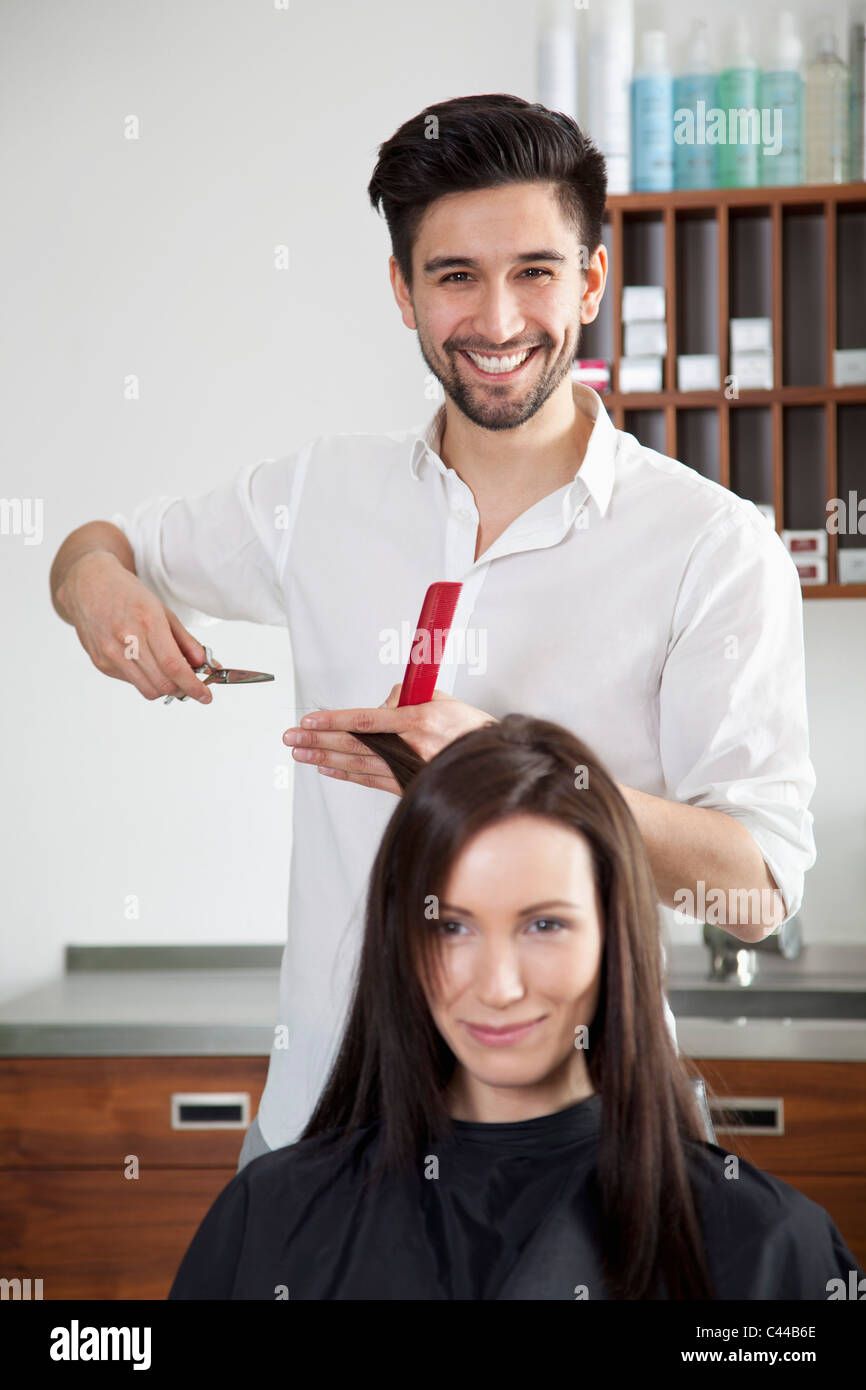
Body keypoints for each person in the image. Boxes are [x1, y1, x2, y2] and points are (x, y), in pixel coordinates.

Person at [49, 94, 816, 1171]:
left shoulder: (710, 545)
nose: (497, 321)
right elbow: (96, 545)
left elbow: (759, 887)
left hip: (582, 1150)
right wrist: (98, 588)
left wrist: (522, 774)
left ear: (591, 279)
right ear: (402, 292)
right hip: (328, 1128)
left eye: (534, 271)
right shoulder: (318, 495)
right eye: (455, 275)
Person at [169, 716, 859, 1300]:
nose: (498, 986)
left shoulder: (766, 1250)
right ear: (402, 940)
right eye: (453, 926)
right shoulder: (270, 1219)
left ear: (614, 936)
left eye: (544, 925)